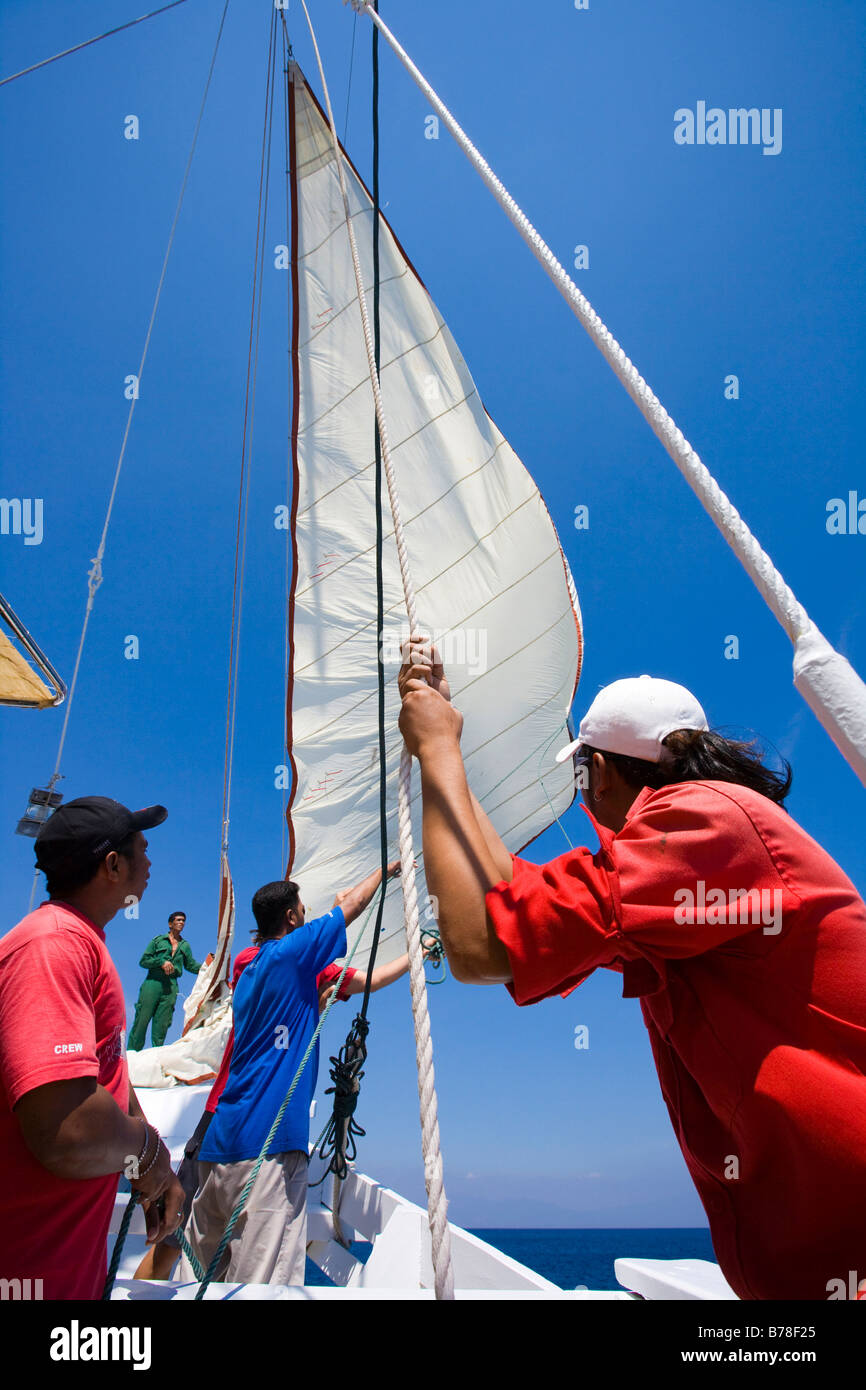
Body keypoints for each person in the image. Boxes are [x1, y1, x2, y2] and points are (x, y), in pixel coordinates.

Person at [397, 638, 866, 1301]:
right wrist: (441, 742)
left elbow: (479, 950)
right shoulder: (707, 842)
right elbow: (512, 898)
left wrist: (438, 751)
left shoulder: (706, 826)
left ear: (601, 774)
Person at [135, 928, 416, 1281]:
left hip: (216, 1121)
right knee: (248, 1258)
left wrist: (312, 1001)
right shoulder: (306, 966)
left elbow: (277, 1010)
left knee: (175, 1241)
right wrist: (416, 951)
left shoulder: (247, 966)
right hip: (261, 1134)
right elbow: (370, 980)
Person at [177, 859, 402, 1286]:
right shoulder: (293, 955)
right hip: (270, 1151)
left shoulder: (249, 967)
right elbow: (351, 906)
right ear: (292, 917)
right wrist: (384, 871)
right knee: (261, 1283)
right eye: (302, 908)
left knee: (196, 1277)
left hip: (219, 1144)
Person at [0, 796, 185, 1300]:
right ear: (112, 865)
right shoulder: (53, 946)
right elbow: (70, 1129)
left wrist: (151, 1165)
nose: (151, 863)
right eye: (142, 850)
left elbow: (107, 1074)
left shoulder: (79, 941)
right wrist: (146, 1157)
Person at [128, 911, 212, 1052]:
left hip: (171, 986)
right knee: (141, 1020)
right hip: (153, 982)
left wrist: (209, 966)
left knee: (162, 1024)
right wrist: (161, 962)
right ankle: (131, 1055)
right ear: (170, 923)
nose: (181, 923)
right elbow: (144, 961)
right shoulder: (158, 941)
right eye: (178, 920)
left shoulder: (185, 946)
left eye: (183, 921)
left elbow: (190, 965)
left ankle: (156, 1059)